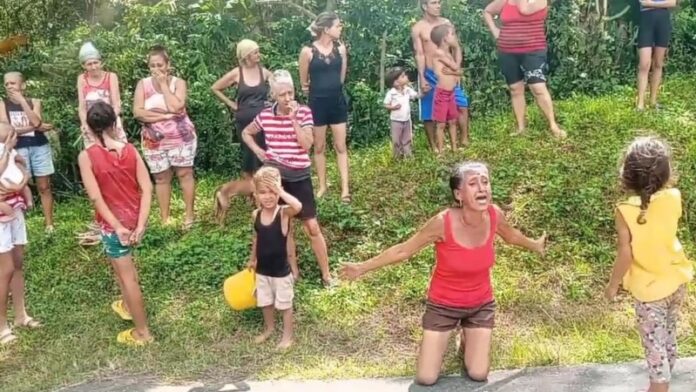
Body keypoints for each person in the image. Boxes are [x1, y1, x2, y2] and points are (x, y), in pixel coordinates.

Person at [340, 162, 546, 386]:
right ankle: (444, 335)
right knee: (426, 378)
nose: (482, 189)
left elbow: (512, 236)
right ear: (459, 194)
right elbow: (404, 250)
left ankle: (466, 338)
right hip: (443, 305)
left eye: (485, 182)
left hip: (480, 304)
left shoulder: (494, 215)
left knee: (478, 374)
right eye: (473, 183)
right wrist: (361, 268)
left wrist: (535, 245)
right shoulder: (442, 222)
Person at [605, 137, 692, 392]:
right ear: (666, 173)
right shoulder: (674, 197)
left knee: (654, 348)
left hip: (649, 291)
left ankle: (658, 387)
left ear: (627, 176)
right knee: (667, 337)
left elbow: (625, 254)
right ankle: (665, 375)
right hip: (676, 281)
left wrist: (613, 285)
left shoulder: (624, 210)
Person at [242, 70, 334, 287]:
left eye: (290, 93)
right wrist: (258, 151)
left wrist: (293, 120)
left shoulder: (303, 112)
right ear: (273, 95)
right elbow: (246, 133)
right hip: (275, 176)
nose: (287, 98)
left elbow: (307, 144)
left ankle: (327, 274)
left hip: (299, 174)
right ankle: (293, 271)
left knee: (312, 226)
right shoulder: (265, 115)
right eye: (282, 94)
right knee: (285, 225)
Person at [78, 101, 153, 346]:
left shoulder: (86, 156)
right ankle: (128, 307)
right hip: (133, 218)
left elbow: (95, 196)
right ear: (114, 123)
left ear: (88, 126)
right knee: (122, 271)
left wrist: (117, 226)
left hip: (114, 224)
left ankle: (143, 332)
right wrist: (140, 225)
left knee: (128, 277)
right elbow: (147, 187)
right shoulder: (130, 149)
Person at [133, 45, 197, 229]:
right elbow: (138, 112)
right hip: (153, 141)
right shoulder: (142, 85)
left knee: (184, 173)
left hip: (181, 138)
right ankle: (165, 218)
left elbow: (177, 107)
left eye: (160, 65)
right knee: (161, 178)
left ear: (168, 65)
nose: (156, 69)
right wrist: (163, 115)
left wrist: (163, 86)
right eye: (152, 66)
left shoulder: (179, 83)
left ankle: (189, 216)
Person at [211, 39, 273, 224]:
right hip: (244, 121)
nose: (258, 55)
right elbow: (215, 87)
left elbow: (278, 83)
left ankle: (261, 195)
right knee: (248, 158)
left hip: (264, 121)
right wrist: (231, 104)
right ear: (246, 56)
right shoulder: (237, 73)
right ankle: (249, 195)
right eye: (255, 52)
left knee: (263, 155)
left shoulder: (264, 72)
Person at [483, 0, 566, 138]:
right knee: (515, 89)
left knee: (538, 88)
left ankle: (553, 126)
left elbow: (524, 10)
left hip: (533, 51)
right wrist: (495, 30)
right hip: (507, 51)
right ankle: (521, 128)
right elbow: (487, 11)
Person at [299, 12, 351, 202]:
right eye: (337, 26)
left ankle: (345, 188)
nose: (340, 28)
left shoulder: (341, 49)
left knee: (340, 145)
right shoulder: (308, 52)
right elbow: (304, 83)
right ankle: (322, 186)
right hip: (317, 104)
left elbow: (341, 78)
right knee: (319, 146)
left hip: (337, 102)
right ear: (327, 29)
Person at [247, 166, 301, 350]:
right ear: (256, 194)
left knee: (285, 305)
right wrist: (252, 259)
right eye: (263, 192)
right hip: (262, 270)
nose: (268, 196)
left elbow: (298, 207)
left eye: (272, 191)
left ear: (279, 191)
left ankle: (287, 337)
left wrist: (281, 191)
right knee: (265, 302)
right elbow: (256, 238)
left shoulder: (284, 213)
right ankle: (269, 329)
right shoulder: (256, 214)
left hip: (281, 271)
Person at [0, 72, 55, 232]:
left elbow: (36, 119)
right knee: (20, 185)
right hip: (17, 149)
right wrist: (35, 127)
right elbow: (7, 131)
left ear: (22, 85)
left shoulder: (34, 101)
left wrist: (22, 102)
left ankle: (49, 223)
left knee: (44, 186)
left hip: (39, 146)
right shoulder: (2, 104)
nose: (9, 86)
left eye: (13, 83)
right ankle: (21, 223)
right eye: (6, 84)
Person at [411, 0, 469, 150]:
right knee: (429, 111)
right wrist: (422, 77)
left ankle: (463, 140)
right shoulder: (418, 28)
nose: (438, 6)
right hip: (429, 73)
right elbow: (419, 54)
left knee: (461, 104)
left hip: (448, 73)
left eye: (439, 2)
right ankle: (434, 146)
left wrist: (457, 70)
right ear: (425, 6)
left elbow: (456, 47)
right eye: (434, 3)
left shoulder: (446, 23)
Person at [0, 123, 37, 345]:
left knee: (17, 264)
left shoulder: (12, 153)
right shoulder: (5, 152)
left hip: (15, 208)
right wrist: (6, 150)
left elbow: (25, 176)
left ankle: (21, 315)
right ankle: (2, 325)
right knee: (5, 270)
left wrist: (21, 181)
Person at [77, 42, 127, 146]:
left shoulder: (111, 77)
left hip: (110, 122)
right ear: (83, 65)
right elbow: (82, 107)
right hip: (91, 123)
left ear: (101, 62)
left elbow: (116, 104)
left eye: (96, 62)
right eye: (89, 64)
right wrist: (85, 124)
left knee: (118, 151)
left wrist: (109, 123)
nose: (93, 67)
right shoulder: (82, 79)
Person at [635, 0, 677, 111]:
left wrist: (652, 4)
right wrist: (662, 4)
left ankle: (653, 101)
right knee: (644, 64)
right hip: (646, 20)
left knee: (658, 63)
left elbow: (672, 3)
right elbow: (644, 3)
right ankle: (640, 104)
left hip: (663, 21)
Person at [430, 24, 463, 155]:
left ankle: (454, 148)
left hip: (451, 92)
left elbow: (457, 66)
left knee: (453, 121)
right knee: (441, 124)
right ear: (444, 38)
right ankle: (441, 151)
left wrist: (457, 47)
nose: (454, 37)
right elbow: (456, 68)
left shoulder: (448, 52)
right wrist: (456, 72)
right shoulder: (438, 53)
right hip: (442, 93)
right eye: (452, 34)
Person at [383, 67, 419, 159]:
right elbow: (386, 105)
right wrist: (393, 107)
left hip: (406, 119)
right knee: (396, 139)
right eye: (403, 76)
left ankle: (408, 155)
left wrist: (424, 92)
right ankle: (397, 156)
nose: (406, 77)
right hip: (396, 120)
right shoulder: (391, 93)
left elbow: (416, 96)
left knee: (407, 138)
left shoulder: (407, 90)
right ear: (395, 82)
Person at [0, 123, 32, 221]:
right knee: (25, 188)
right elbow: (20, 160)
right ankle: (29, 201)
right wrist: (22, 164)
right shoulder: (10, 150)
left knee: (1, 200)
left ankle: (10, 214)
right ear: (10, 138)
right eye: (16, 137)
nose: (17, 139)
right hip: (16, 177)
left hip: (5, 180)